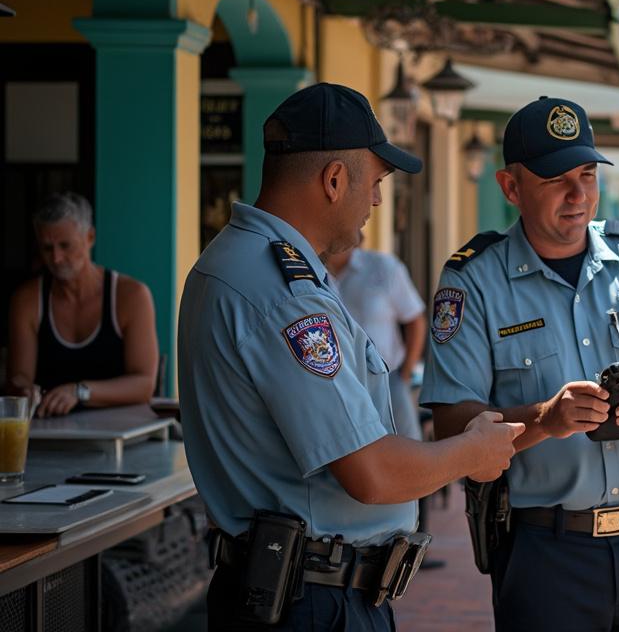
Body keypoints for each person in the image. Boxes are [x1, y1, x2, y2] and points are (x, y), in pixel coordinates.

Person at [177, 83, 521, 630]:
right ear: (335, 180)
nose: (377, 201)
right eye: (376, 182)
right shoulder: (280, 293)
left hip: (295, 589)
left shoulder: (245, 263)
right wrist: (472, 453)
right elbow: (373, 473)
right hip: (312, 601)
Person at [421, 96, 619, 632]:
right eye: (556, 178)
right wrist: (546, 420)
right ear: (511, 187)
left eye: (587, 173)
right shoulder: (473, 282)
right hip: (546, 558)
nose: (578, 194)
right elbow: (449, 428)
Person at [5, 192, 158, 417]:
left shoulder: (131, 296)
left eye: (65, 246)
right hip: (50, 432)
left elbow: (144, 385)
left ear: (90, 237)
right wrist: (23, 389)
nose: (56, 258)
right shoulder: (28, 300)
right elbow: (18, 377)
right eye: (47, 248)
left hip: (121, 435)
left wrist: (79, 391)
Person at [326, 235, 426, 442]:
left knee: (407, 451)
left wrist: (405, 375)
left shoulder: (384, 267)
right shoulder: (309, 271)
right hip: (336, 386)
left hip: (388, 381)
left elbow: (415, 321)